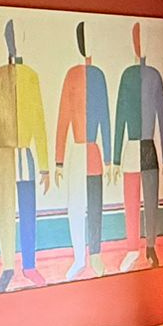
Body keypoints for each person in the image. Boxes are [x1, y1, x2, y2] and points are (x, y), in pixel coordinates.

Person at [0, 19, 50, 291]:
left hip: (26, 155)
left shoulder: (31, 77)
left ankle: (29, 265)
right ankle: (8, 266)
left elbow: (40, 122)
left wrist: (44, 166)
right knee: (4, 212)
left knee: (29, 213)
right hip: (5, 155)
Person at [52, 21, 113, 280]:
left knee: (95, 205)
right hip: (77, 153)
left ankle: (95, 254)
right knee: (75, 206)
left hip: (93, 152)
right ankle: (79, 257)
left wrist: (109, 158)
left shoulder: (99, 76)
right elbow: (63, 119)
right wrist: (58, 161)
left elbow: (106, 119)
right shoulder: (71, 75)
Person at [112, 21, 163, 270]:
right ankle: (132, 248)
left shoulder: (155, 76)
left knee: (151, 200)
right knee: (131, 201)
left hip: (148, 147)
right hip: (131, 147)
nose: (142, 44)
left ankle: (151, 246)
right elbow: (119, 117)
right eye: (139, 38)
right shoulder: (127, 75)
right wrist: (115, 158)